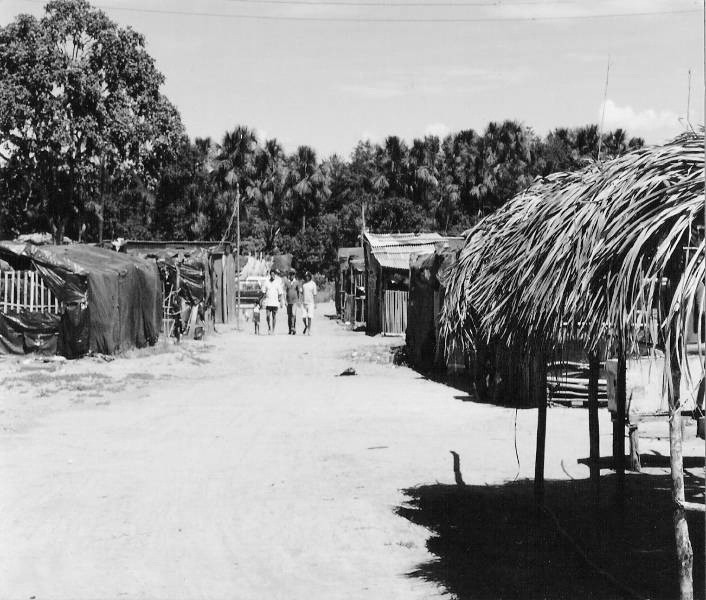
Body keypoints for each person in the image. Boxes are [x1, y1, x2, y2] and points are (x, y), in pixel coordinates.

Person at [261, 269, 283, 334]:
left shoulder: (277, 283)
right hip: (268, 302)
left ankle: (273, 330)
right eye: (272, 274)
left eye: (274, 274)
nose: (273, 275)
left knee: (274, 316)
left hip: (275, 303)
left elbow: (280, 293)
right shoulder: (266, 282)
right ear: (270, 274)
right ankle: (269, 327)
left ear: (275, 275)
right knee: (267, 316)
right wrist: (261, 300)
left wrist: (281, 301)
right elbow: (263, 292)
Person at [283, 269, 301, 335]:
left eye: (293, 274)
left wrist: (298, 300)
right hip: (288, 301)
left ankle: (293, 327)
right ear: (289, 275)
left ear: (294, 275)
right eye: (291, 274)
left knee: (293, 314)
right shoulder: (286, 282)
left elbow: (298, 292)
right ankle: (290, 329)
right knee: (289, 316)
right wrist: (285, 301)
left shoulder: (296, 282)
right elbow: (284, 292)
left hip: (295, 301)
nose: (292, 275)